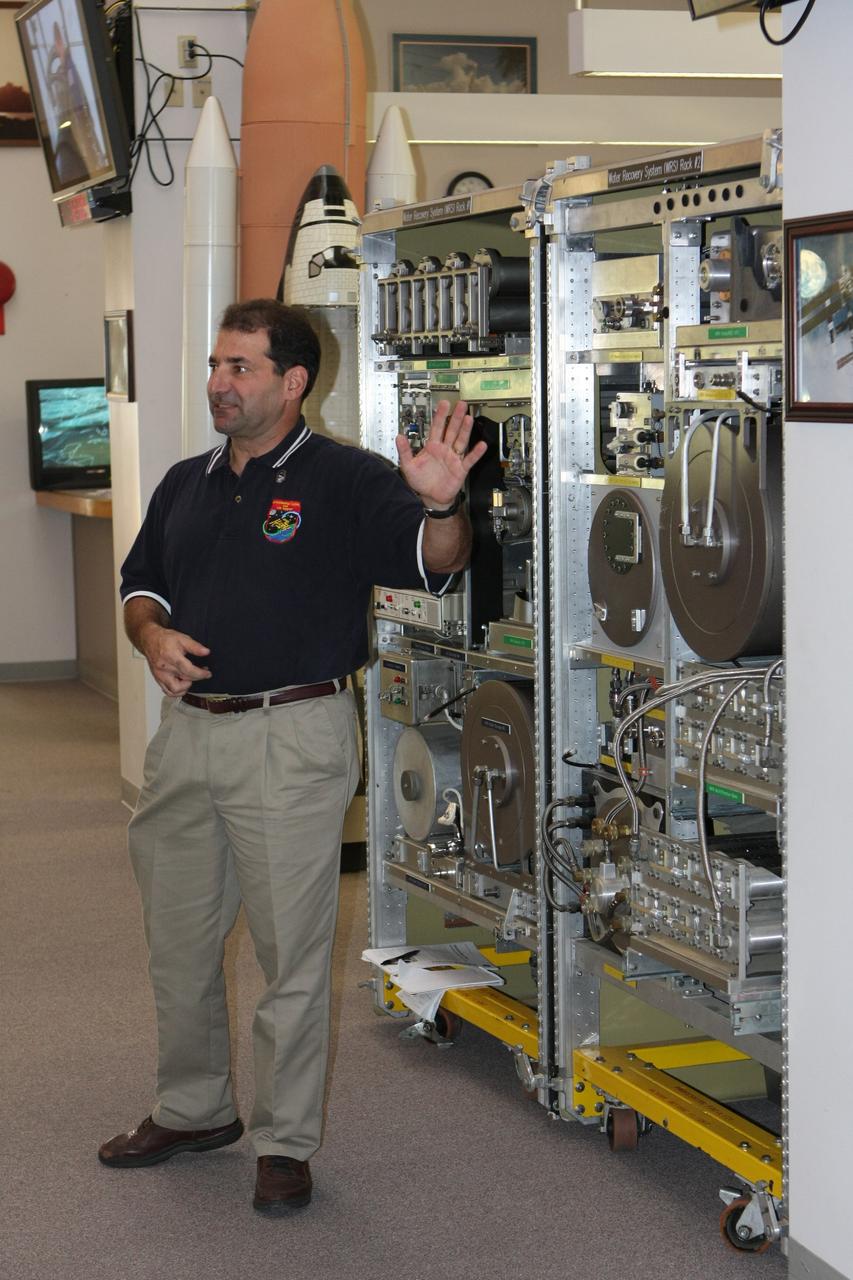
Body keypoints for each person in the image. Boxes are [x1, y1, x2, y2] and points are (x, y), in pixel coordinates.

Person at [98, 298, 485, 1215]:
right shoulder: (186, 482)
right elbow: (141, 586)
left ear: (293, 381)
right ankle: (193, 1110)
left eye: (240, 367)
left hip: (292, 736)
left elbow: (436, 562)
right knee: (178, 943)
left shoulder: (346, 479)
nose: (219, 384)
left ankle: (283, 1141)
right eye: (215, 365)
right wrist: (149, 636)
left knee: (291, 956)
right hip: (187, 736)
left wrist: (443, 504)